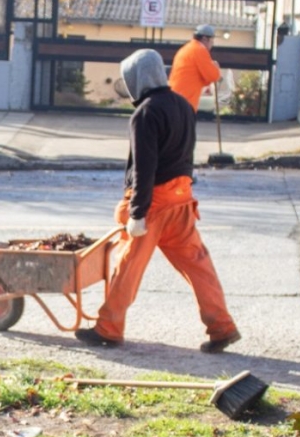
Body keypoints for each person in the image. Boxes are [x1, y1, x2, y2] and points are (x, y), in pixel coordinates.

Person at [73, 49, 241, 353]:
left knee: (127, 267)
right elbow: (187, 155)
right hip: (183, 199)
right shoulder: (182, 105)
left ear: (139, 78)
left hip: (155, 205)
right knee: (199, 267)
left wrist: (137, 213)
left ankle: (108, 329)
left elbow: (144, 168)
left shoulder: (145, 113)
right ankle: (222, 328)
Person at [168, 24, 222, 112]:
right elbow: (213, 76)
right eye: (212, 39)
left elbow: (202, 79)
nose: (213, 43)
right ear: (205, 38)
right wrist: (215, 68)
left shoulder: (186, 48)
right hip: (186, 102)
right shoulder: (200, 50)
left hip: (176, 99)